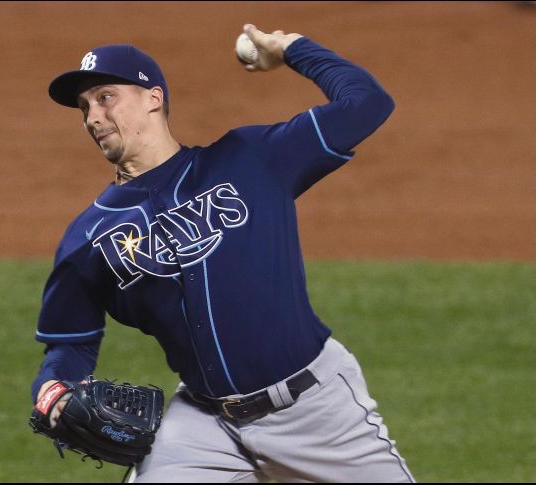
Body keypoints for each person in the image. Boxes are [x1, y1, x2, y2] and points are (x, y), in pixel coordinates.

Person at [32, 24, 415, 483]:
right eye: (84, 107)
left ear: (153, 97)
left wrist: (292, 49)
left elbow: (367, 104)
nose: (93, 117)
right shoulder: (88, 237)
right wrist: (52, 390)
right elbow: (69, 344)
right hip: (204, 423)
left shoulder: (250, 159)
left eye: (106, 97)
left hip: (317, 411)